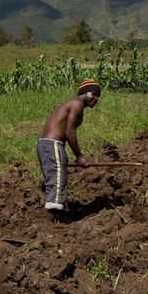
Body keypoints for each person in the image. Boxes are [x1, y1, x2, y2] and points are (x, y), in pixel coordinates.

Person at [36, 79, 101, 212]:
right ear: (84, 92)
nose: (96, 98)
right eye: (93, 94)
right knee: (58, 180)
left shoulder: (72, 104)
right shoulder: (77, 104)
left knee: (56, 178)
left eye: (98, 96)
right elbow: (69, 131)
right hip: (52, 144)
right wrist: (79, 156)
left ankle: (59, 215)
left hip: (45, 145)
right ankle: (55, 220)